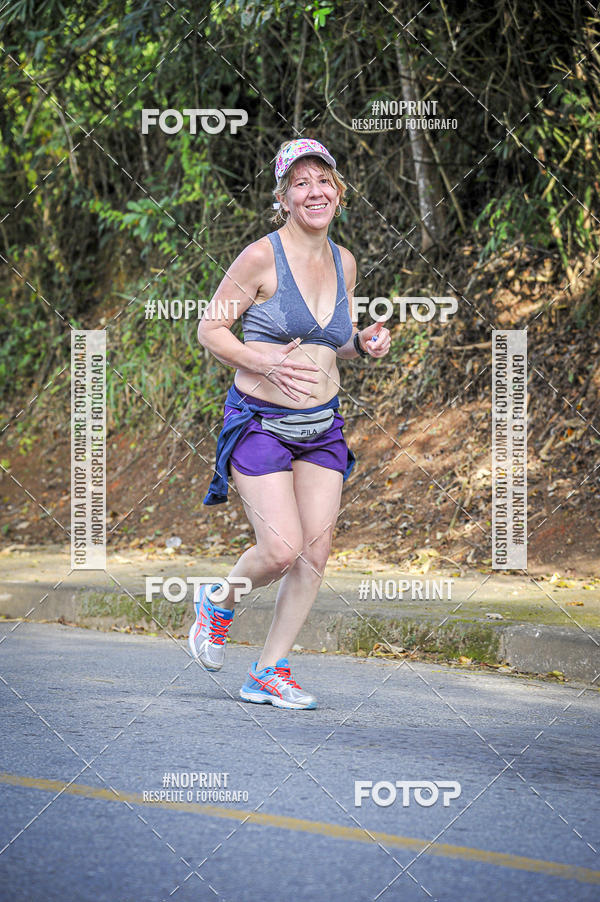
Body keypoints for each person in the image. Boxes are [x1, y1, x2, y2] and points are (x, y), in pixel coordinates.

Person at [189, 138, 391, 709]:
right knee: (280, 548)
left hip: (323, 426)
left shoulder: (344, 261)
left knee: (314, 555)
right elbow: (210, 330)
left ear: (339, 193)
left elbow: (334, 344)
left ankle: (269, 670)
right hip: (260, 421)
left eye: (323, 180)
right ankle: (217, 602)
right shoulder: (260, 257)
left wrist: (363, 343)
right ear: (283, 198)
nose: (314, 191)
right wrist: (263, 360)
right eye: (300, 183)